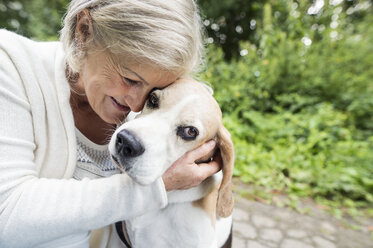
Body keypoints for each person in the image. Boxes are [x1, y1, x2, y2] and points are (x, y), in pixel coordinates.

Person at [0, 0, 221, 247]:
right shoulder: (10, 66)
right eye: (130, 79)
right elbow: (6, 214)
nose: (137, 106)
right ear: (83, 31)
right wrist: (157, 187)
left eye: (154, 92)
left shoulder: (142, 124)